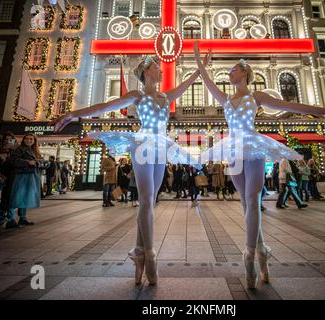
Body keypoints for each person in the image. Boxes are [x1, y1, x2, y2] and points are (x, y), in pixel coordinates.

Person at [194, 42, 325, 288]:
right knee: (246, 202)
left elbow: (291, 106)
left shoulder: (257, 96)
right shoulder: (224, 98)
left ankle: (248, 255)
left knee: (253, 198)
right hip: (233, 149)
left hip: (254, 146)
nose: (230, 72)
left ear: (244, 72)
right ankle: (262, 250)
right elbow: (205, 78)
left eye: (234, 69)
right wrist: (198, 59)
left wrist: (324, 111)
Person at [52, 54, 210, 286]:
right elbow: (107, 106)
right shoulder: (138, 95)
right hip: (143, 144)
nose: (161, 70)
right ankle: (150, 254)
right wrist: (74, 114)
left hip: (160, 146)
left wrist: (200, 68)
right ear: (147, 71)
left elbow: (187, 85)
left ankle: (138, 252)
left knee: (151, 201)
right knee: (146, 200)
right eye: (157, 67)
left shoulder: (165, 96)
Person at [9, 134, 43, 226]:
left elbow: (41, 161)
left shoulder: (35, 150)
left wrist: (38, 162)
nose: (28, 140)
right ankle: (10, 219)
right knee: (17, 196)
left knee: (25, 196)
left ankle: (22, 218)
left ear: (34, 140)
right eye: (27, 139)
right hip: (22, 175)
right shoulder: (19, 149)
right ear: (23, 140)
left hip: (32, 175)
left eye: (31, 139)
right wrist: (27, 162)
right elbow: (13, 160)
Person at [0, 131, 19, 228]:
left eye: (10, 139)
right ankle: (1, 217)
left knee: (9, 197)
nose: (8, 141)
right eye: (6, 139)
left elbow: (17, 163)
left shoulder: (16, 151)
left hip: (12, 177)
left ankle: (9, 218)